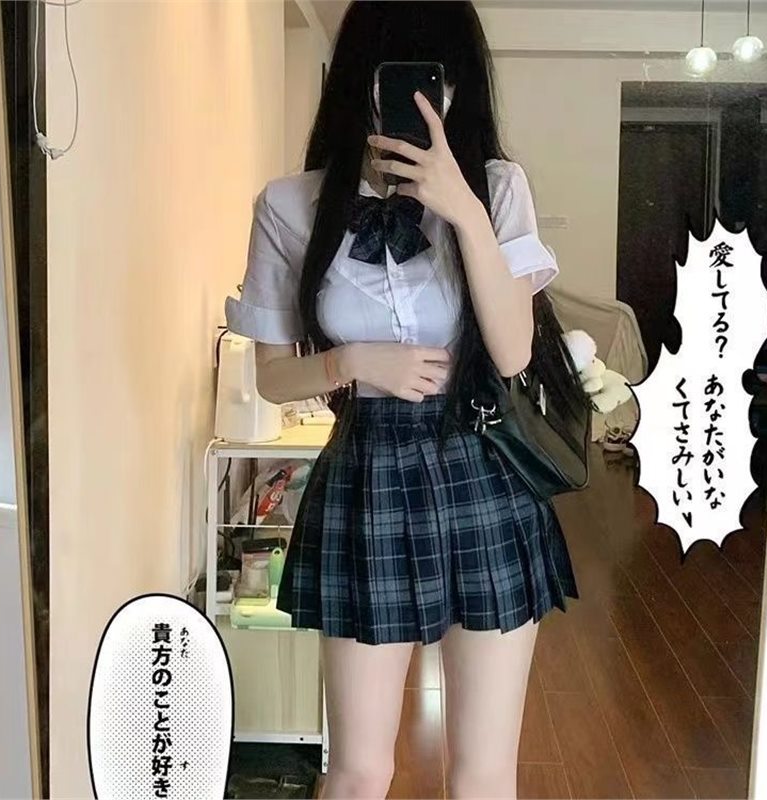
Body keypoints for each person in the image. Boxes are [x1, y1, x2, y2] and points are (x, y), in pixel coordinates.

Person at [224, 3, 584, 798]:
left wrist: (464, 211)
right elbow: (273, 377)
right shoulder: (289, 206)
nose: (428, 98)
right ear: (360, 80)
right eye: (402, 75)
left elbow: (514, 352)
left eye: (441, 77)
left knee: (483, 773)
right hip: (367, 479)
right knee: (358, 771)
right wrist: (351, 363)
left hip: (481, 472)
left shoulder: (497, 188)